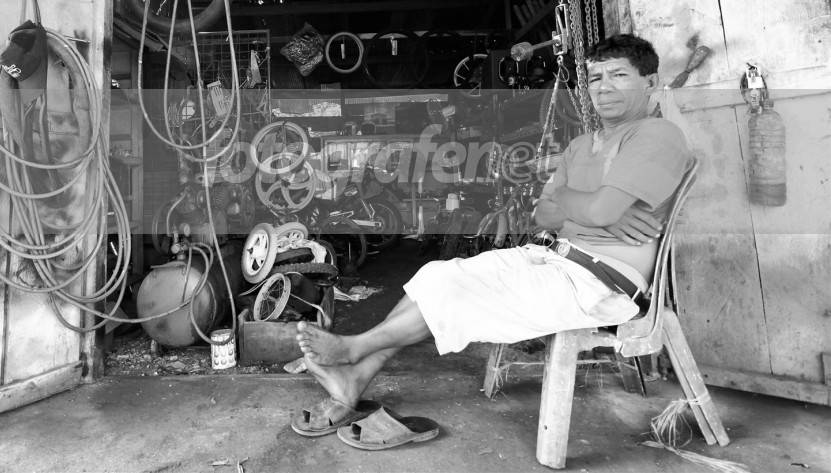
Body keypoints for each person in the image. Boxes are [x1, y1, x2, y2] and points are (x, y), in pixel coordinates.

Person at [293, 34, 694, 436]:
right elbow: (543, 213)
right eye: (595, 78)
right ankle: (355, 377)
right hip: (556, 258)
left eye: (619, 75)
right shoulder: (580, 145)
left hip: (601, 283)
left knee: (452, 290)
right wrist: (589, 209)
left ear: (650, 81)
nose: (603, 87)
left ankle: (355, 349)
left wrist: (579, 204)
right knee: (435, 274)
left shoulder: (655, 135)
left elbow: (593, 210)